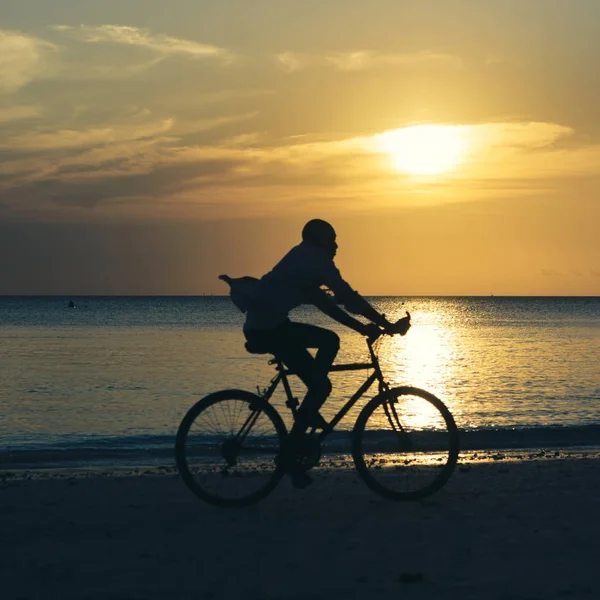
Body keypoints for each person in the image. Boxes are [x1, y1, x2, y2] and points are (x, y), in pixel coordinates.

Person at [220, 219, 410, 487]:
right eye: (332, 239)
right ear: (319, 239)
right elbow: (347, 296)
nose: (336, 245)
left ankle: (295, 444)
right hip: (268, 330)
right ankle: (301, 428)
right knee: (327, 352)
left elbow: (330, 306)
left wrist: (364, 328)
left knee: (320, 387)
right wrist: (385, 324)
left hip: (268, 327)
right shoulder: (315, 258)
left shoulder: (303, 261)